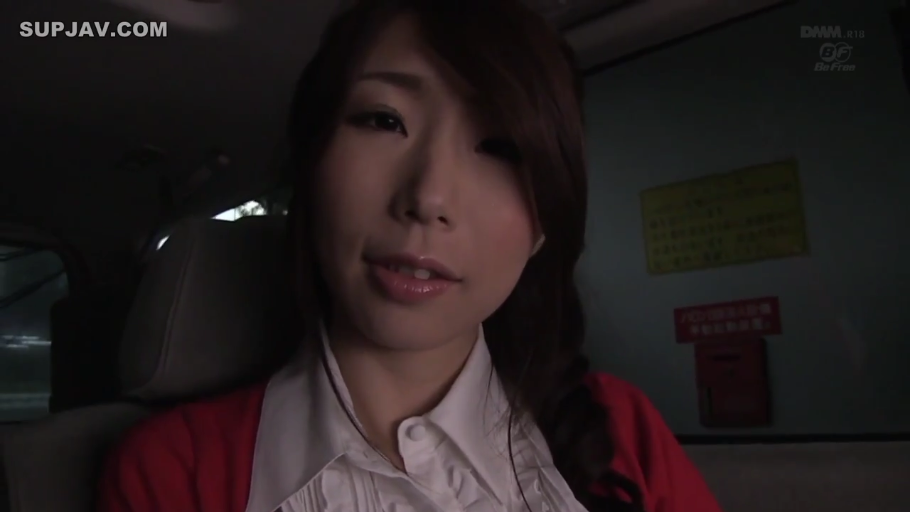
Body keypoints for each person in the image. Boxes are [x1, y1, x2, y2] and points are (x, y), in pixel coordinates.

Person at [98, 1, 723, 511]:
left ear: (543, 227)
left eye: (501, 147)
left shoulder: (619, 433)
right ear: (311, 169)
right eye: (383, 120)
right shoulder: (175, 471)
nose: (429, 197)